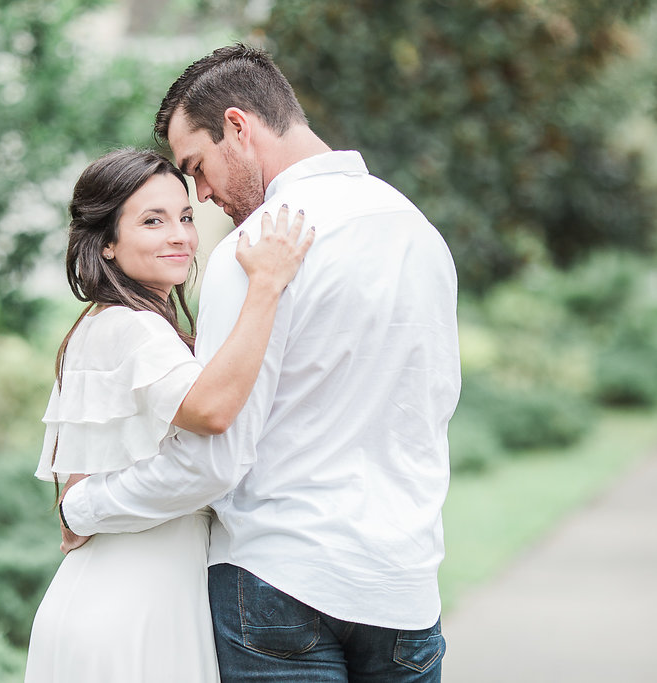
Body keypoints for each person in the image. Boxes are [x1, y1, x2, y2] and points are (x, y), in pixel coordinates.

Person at [58, 44, 461, 682]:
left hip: (279, 583)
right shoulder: (419, 232)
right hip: (403, 585)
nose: (205, 194)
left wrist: (83, 507)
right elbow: (433, 408)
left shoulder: (253, 250)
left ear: (239, 129)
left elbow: (214, 456)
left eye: (198, 167)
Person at [24, 147, 313, 682]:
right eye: (152, 221)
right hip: (139, 608)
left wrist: (78, 510)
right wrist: (267, 286)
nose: (180, 235)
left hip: (96, 595)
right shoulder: (135, 328)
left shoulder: (95, 326)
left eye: (184, 217)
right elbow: (210, 410)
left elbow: (78, 483)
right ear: (106, 242)